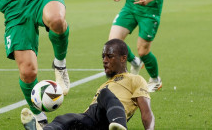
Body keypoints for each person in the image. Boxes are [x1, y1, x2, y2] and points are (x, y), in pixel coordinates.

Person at [21, 39, 155, 130]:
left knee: (105, 94)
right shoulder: (104, 84)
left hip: (110, 118)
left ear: (123, 58)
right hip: (91, 118)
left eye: (109, 56)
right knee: (65, 119)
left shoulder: (135, 79)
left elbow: (147, 112)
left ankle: (119, 125)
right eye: (103, 56)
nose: (105, 60)